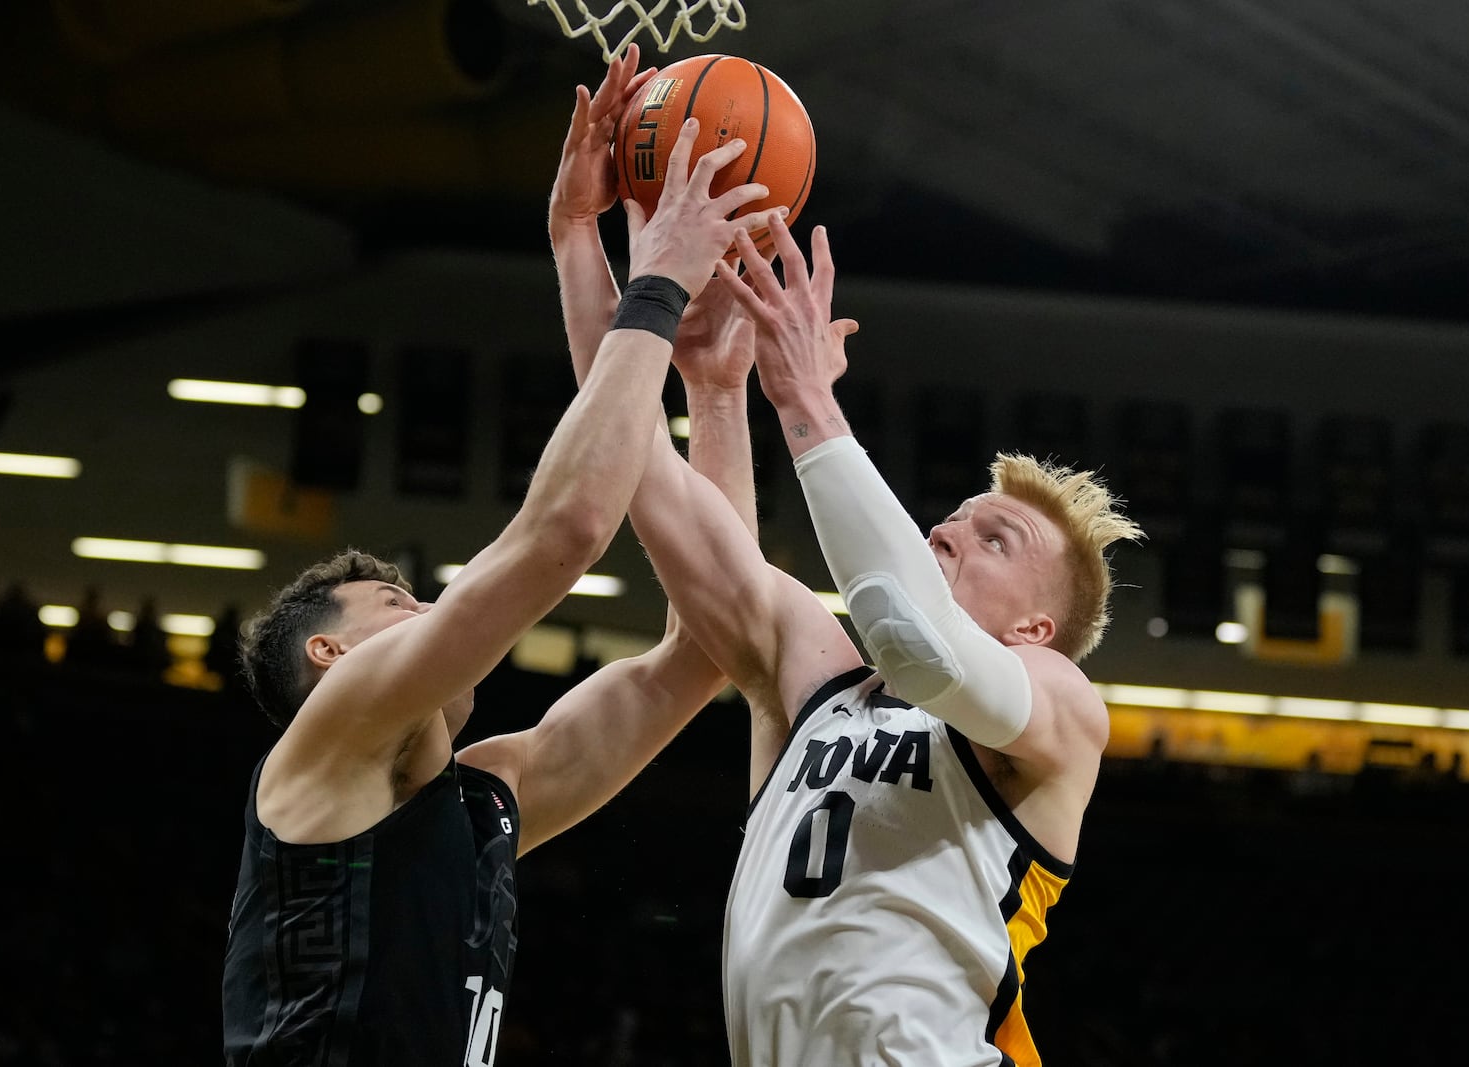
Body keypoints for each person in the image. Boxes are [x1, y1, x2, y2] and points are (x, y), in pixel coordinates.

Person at [220, 46, 787, 1067]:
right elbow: (562, 531)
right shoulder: (328, 745)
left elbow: (711, 643)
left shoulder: (487, 791)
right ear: (331, 659)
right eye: (396, 601)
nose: (436, 611)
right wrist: (650, 282)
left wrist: (710, 385)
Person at [557, 201, 1143, 1062]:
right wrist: (597, 256)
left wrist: (804, 401)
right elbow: (645, 475)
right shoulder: (818, 678)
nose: (942, 532)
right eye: (949, 519)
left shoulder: (1062, 706)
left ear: (1036, 625)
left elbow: (918, 639)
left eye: (994, 538)